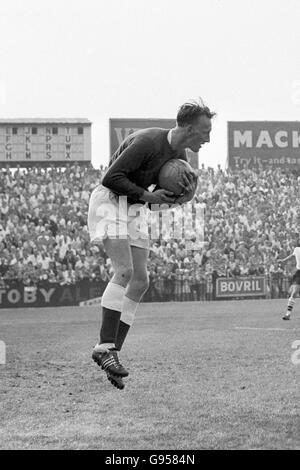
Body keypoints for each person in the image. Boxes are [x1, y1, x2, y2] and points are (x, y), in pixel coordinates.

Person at [88, 100, 215, 389]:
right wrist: (149, 196)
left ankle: (112, 353)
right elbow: (111, 177)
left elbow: (154, 194)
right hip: (110, 201)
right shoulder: (147, 141)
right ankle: (103, 349)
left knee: (141, 281)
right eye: (205, 132)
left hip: (133, 207)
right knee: (124, 272)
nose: (208, 139)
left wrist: (172, 199)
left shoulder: (179, 154)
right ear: (188, 128)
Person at [277, 242, 300, 320]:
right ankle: (288, 314)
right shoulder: (297, 249)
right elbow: (292, 255)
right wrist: (283, 260)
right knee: (294, 293)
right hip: (299, 273)